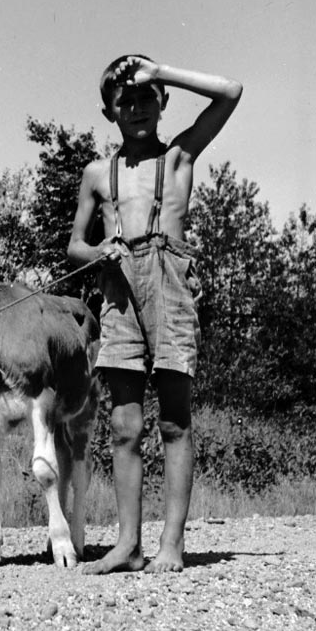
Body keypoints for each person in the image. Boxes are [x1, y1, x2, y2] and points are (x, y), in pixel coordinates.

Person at [68, 55, 242, 573]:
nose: (138, 107)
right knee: (124, 426)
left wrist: (159, 71)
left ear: (162, 101)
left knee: (173, 421)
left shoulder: (180, 158)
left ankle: (171, 543)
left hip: (171, 287)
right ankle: (127, 544)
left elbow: (230, 91)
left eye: (147, 97)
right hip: (119, 291)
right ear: (109, 113)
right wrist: (101, 253)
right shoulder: (99, 173)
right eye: (125, 100)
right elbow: (75, 245)